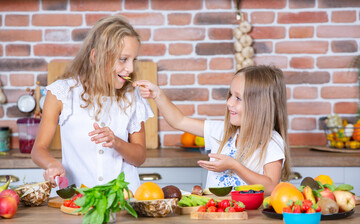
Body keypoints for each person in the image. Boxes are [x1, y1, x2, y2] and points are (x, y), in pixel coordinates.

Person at [31, 15, 153, 193]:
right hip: (78, 199)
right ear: (96, 56)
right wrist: (52, 164)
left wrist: (116, 142)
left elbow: (139, 157)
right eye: (123, 59)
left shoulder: (132, 95)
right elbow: (38, 149)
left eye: (133, 60)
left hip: (126, 200)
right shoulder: (61, 92)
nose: (131, 69)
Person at [135, 65, 291, 194]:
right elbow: (179, 121)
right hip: (214, 215)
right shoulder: (221, 131)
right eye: (230, 95)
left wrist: (234, 165)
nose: (229, 102)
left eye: (238, 98)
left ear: (260, 105)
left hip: (250, 221)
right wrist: (158, 95)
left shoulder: (271, 142)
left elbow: (271, 186)